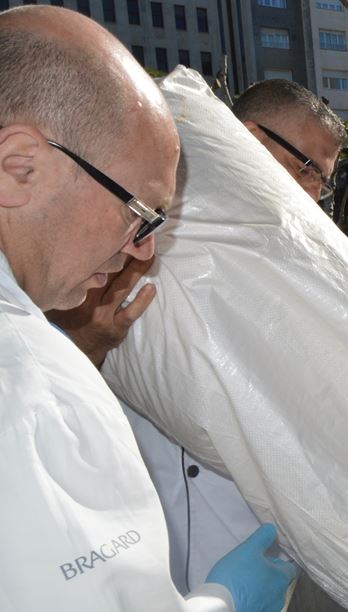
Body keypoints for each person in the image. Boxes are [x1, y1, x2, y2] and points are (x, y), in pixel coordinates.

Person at [0, 7, 294, 610]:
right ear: (19, 167)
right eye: (139, 212)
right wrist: (225, 602)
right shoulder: (28, 384)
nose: (145, 249)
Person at [49, 78, 347, 593]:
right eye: (306, 168)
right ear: (250, 138)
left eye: (324, 180)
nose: (314, 193)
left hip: (250, 551)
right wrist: (91, 342)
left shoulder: (311, 277)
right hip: (128, 563)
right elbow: (38, 406)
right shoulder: (115, 237)